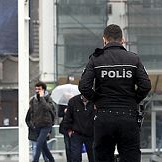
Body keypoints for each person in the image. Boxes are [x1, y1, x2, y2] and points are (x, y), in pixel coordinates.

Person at [80, 24, 152, 162]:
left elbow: (84, 86)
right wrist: (133, 100)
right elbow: (145, 85)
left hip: (104, 117)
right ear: (122, 40)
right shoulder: (133, 59)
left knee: (103, 157)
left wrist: (97, 100)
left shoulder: (95, 59)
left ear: (104, 40)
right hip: (128, 117)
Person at [60, 94, 95, 162]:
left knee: (93, 156)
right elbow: (67, 117)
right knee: (75, 157)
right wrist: (69, 130)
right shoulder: (73, 101)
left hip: (91, 133)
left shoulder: (94, 101)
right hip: (76, 133)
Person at [27, 82, 56, 162]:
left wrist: (42, 98)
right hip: (37, 125)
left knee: (39, 144)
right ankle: (52, 160)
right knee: (44, 147)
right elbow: (31, 113)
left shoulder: (48, 99)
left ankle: (35, 160)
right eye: (36, 89)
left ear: (43, 90)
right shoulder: (33, 100)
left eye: (39, 89)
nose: (37, 91)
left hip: (46, 125)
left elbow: (48, 108)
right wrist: (32, 124)